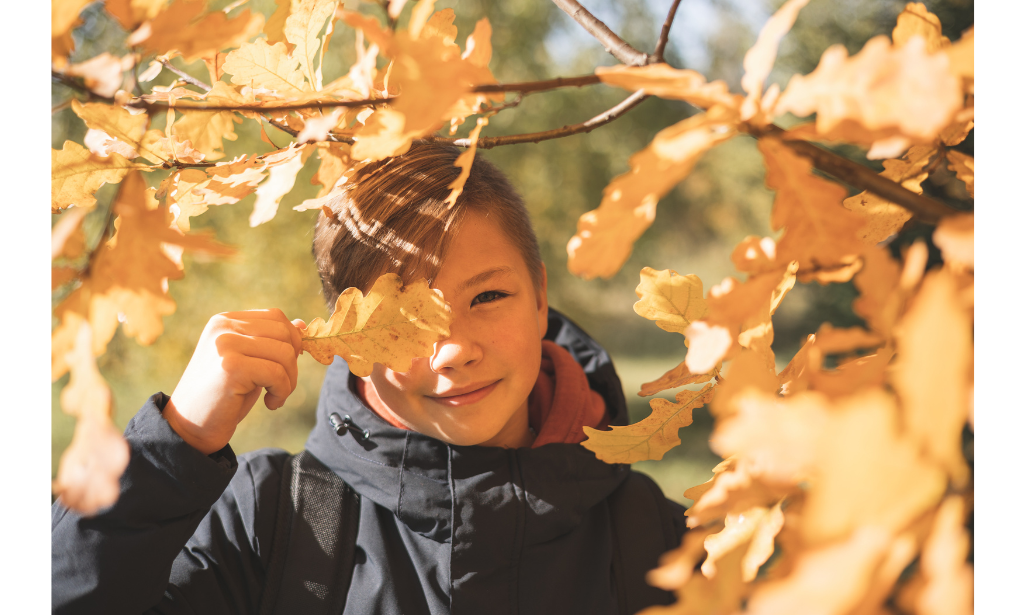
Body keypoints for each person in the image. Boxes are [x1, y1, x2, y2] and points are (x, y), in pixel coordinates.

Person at [52, 143, 689, 615]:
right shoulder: (269, 522)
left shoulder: (655, 538)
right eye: (405, 318)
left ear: (541, 296)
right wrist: (174, 447)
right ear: (349, 337)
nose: (452, 351)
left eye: (488, 295)